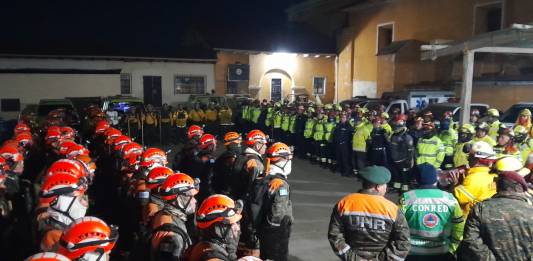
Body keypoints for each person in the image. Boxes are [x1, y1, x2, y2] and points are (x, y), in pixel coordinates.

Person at [457, 157, 533, 261]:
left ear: (498, 185)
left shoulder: (481, 208)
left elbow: (471, 240)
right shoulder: (530, 209)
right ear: (519, 188)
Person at [328, 166, 411, 261]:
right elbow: (403, 242)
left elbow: (335, 236)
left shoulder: (344, 203)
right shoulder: (392, 209)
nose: (386, 188)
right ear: (378, 187)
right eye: (385, 185)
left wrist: (354, 259)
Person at [400, 163, 464, 261]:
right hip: (442, 252)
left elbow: (397, 226)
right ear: (435, 179)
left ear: (416, 180)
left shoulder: (406, 198)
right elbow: (459, 226)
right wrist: (452, 248)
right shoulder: (450, 199)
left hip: (412, 253)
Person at [249, 143, 293, 261]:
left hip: (262, 228)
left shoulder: (264, 176)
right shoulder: (281, 184)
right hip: (276, 234)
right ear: (282, 161)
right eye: (288, 159)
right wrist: (274, 234)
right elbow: (277, 214)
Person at [150, 173, 199, 261]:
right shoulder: (172, 236)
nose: (194, 201)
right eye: (190, 197)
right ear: (178, 199)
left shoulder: (163, 213)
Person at [187, 195, 243, 261]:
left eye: (237, 223)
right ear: (217, 229)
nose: (237, 228)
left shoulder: (205, 245)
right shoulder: (212, 257)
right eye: (232, 224)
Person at [453, 141, 497, 216]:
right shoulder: (494, 175)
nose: (468, 159)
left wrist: (454, 184)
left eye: (470, 156)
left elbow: (457, 199)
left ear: (477, 159)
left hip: (467, 219)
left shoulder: (473, 179)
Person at [389, 114, 415, 192]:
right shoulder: (394, 135)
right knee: (397, 174)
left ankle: (405, 189)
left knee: (404, 175)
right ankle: (397, 187)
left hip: (403, 160)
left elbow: (410, 150)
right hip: (395, 159)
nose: (396, 123)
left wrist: (409, 160)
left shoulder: (406, 137)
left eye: (398, 121)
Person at [333, 112, 354, 177]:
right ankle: (339, 169)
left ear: (346, 118)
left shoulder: (348, 126)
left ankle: (346, 171)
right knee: (338, 157)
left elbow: (351, 136)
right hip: (338, 144)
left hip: (345, 145)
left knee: (345, 159)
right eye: (341, 117)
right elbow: (335, 133)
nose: (342, 119)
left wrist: (347, 143)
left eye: (344, 117)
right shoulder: (338, 125)